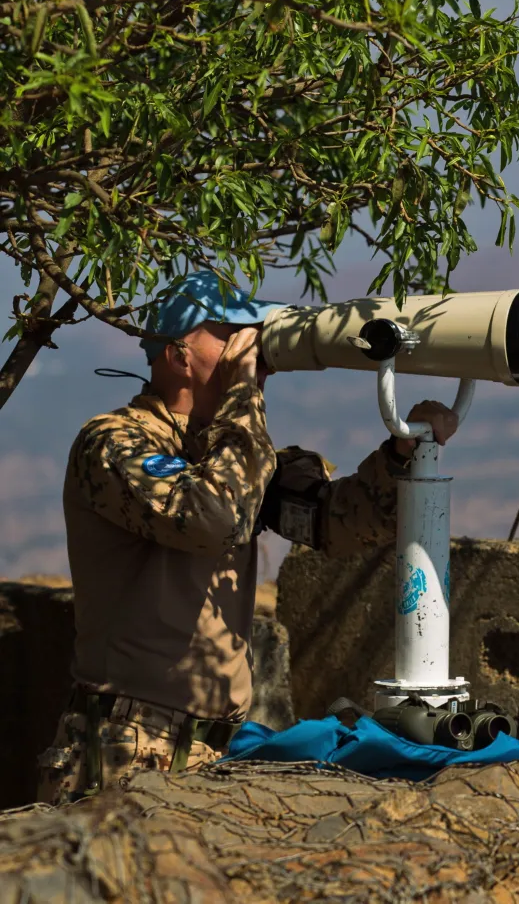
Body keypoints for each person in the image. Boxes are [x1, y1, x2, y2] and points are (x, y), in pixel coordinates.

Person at [36, 270, 459, 804]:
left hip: (210, 750)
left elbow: (338, 524)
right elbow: (212, 514)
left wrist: (400, 453)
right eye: (230, 334)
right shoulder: (113, 443)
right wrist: (242, 399)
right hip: (124, 747)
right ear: (179, 355)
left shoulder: (234, 455)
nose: (250, 351)